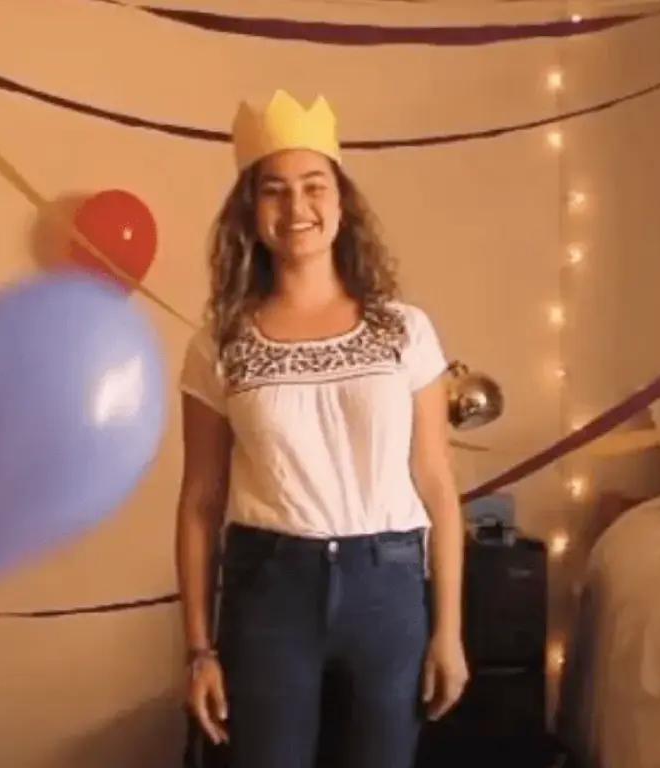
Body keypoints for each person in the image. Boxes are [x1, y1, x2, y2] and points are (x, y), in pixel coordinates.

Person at [173, 89, 469, 768]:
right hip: (269, 590)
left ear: (341, 202)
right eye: (274, 190)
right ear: (251, 211)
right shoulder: (219, 343)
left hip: (389, 586)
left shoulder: (404, 330)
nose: (296, 207)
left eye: (314, 186)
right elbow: (199, 502)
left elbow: (437, 484)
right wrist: (198, 649)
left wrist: (448, 631)